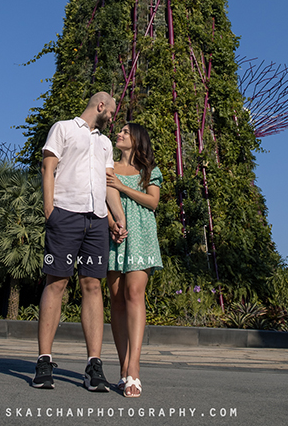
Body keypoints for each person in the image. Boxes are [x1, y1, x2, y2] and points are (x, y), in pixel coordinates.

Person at [32, 92, 126, 392]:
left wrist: (114, 220)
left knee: (92, 285)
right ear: (101, 106)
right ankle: (44, 360)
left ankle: (93, 364)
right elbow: (48, 168)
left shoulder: (105, 143)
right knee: (56, 282)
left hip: (96, 220)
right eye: (111, 112)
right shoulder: (63, 128)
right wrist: (50, 210)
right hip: (65, 214)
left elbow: (107, 184)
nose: (112, 117)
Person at [106, 122, 163, 398]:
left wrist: (122, 186)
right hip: (115, 234)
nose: (120, 134)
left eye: (126, 132)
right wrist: (110, 224)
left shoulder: (149, 171)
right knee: (116, 298)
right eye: (120, 131)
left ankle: (135, 368)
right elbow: (101, 198)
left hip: (141, 234)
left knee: (134, 294)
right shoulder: (108, 166)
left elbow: (153, 202)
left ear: (137, 139)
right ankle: (122, 368)